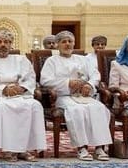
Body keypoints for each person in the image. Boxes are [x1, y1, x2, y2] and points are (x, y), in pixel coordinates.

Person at [40, 31, 111, 161]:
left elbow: (95, 75)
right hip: (63, 96)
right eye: (64, 42)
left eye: (70, 41)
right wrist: (68, 83)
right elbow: (45, 81)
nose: (67, 44)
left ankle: (99, 148)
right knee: (77, 110)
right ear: (57, 44)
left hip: (84, 96)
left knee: (99, 108)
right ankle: (82, 148)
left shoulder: (83, 59)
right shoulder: (51, 61)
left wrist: (89, 85)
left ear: (74, 43)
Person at [0, 31, 45, 161]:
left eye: (6, 42)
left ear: (11, 44)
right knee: (4, 107)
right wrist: (2, 89)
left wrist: (22, 88)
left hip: (20, 94)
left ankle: (25, 149)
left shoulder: (21, 60)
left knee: (35, 106)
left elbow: (31, 78)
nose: (3, 45)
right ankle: (8, 150)